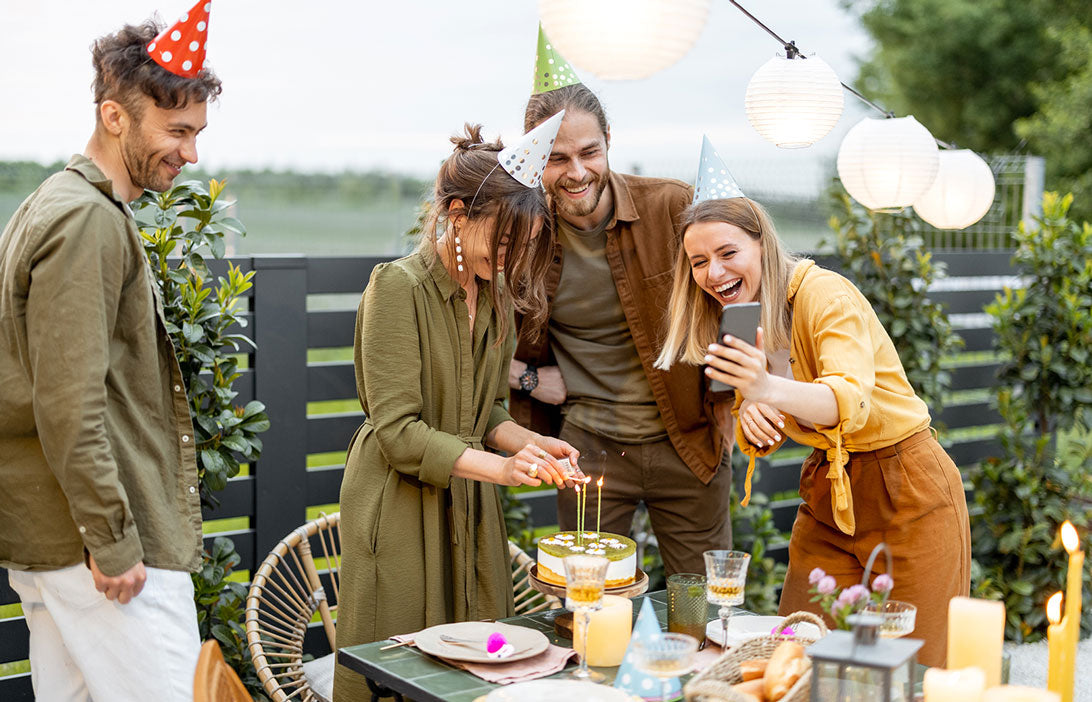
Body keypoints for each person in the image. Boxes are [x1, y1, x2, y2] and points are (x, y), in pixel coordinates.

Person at [0, 8, 221, 701]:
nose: (190, 154)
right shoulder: (86, 219)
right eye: (177, 131)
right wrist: (114, 539)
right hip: (102, 550)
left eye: (197, 134)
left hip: (63, 542)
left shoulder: (61, 203)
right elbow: (70, 401)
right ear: (115, 116)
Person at [655, 186, 972, 667]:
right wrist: (751, 413)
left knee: (915, 666)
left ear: (762, 244)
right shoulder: (740, 316)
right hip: (828, 490)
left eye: (727, 253)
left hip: (909, 486)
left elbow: (850, 401)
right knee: (795, 653)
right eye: (698, 261)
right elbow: (757, 412)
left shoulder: (825, 293)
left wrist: (763, 390)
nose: (713, 273)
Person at [333, 119, 582, 702]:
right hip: (397, 508)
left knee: (479, 663)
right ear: (456, 213)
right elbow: (397, 432)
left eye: (524, 242)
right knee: (396, 670)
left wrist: (530, 445)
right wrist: (501, 471)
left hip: (469, 504)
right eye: (503, 239)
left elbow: (489, 409)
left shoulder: (496, 296)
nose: (513, 255)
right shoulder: (397, 287)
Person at [508, 56, 730, 577]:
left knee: (696, 606)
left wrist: (739, 398)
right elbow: (474, 342)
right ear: (536, 158)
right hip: (587, 452)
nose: (577, 172)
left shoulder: (672, 208)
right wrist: (529, 377)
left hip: (689, 446)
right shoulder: (521, 239)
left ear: (609, 138)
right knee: (586, 610)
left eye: (589, 152)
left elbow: (742, 296)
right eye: (558, 158)